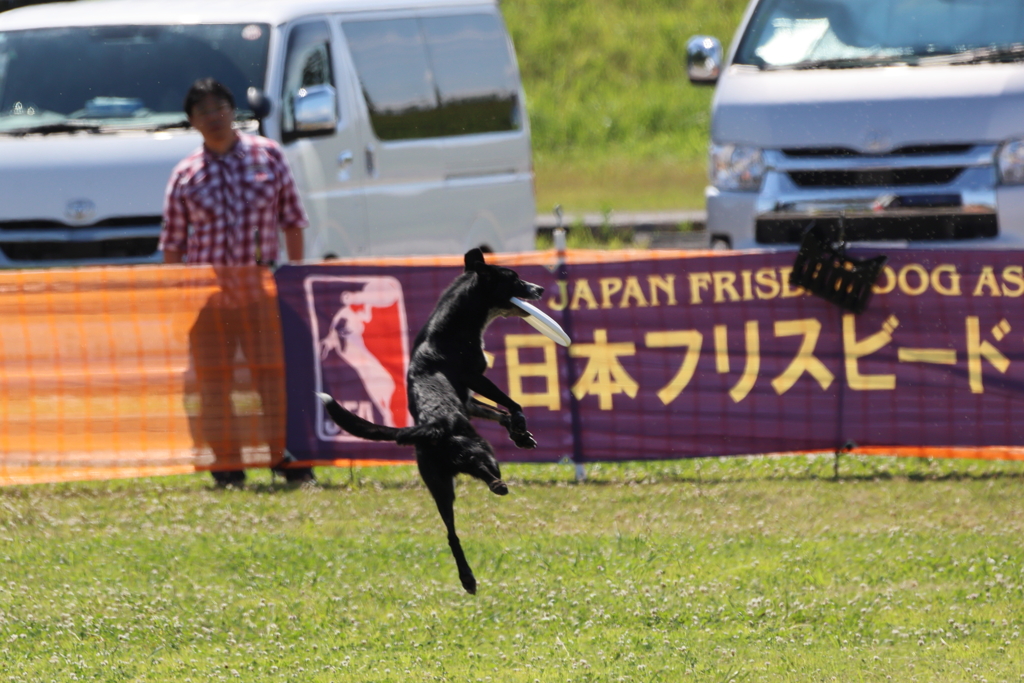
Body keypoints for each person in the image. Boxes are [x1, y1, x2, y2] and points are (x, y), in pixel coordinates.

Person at [160, 77, 315, 486]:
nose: (214, 117)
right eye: (203, 111)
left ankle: (290, 461)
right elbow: (173, 243)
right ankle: (227, 467)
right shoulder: (186, 173)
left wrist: (294, 278)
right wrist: (180, 294)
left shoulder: (268, 156)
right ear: (192, 122)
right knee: (213, 385)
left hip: (264, 295)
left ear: (233, 111)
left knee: (275, 379)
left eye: (219, 108)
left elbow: (293, 220)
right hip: (209, 300)